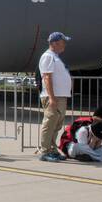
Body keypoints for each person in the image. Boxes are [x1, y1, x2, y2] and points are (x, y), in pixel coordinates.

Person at [36, 31, 72, 163]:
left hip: (60, 96)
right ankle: (45, 151)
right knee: (50, 123)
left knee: (56, 125)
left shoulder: (55, 57)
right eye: (63, 43)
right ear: (55, 43)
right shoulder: (48, 57)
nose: (64, 46)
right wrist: (51, 97)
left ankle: (52, 148)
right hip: (53, 96)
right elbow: (47, 77)